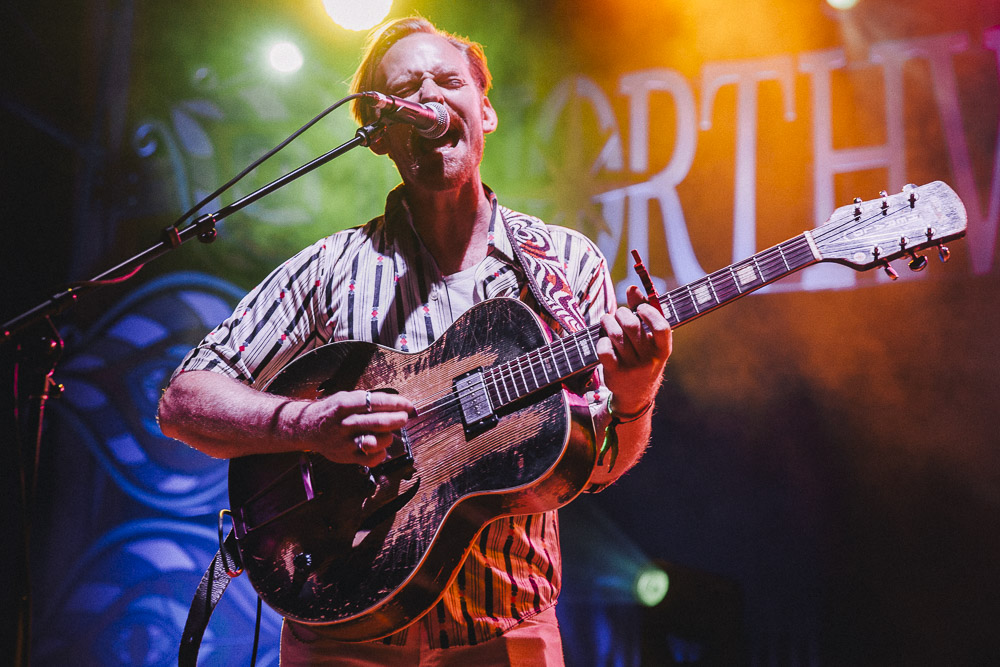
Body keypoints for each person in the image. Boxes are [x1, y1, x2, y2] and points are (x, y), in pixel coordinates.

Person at [157, 15, 671, 666]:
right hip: (342, 629)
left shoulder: (565, 266)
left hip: (504, 634)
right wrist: (306, 422)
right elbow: (182, 399)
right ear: (379, 137)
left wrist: (637, 392)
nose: (429, 97)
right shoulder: (331, 267)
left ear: (483, 111)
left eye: (448, 81)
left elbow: (596, 466)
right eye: (406, 90)